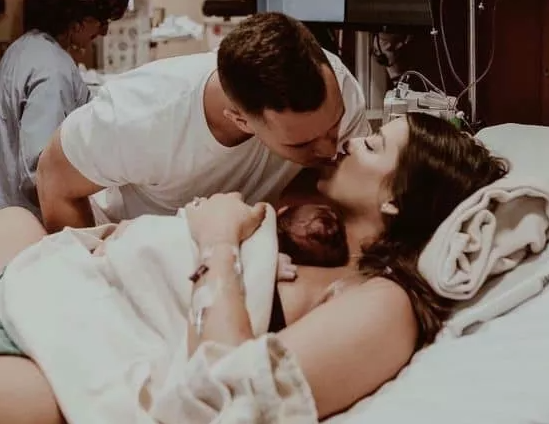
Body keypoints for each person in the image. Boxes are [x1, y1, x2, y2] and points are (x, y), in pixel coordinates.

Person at [0, 113, 508, 423]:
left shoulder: (385, 304)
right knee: (14, 220)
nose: (351, 142)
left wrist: (217, 239)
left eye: (373, 146)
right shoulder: (318, 239)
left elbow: (226, 394)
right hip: (64, 289)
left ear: (397, 200)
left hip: (68, 348)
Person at [36, 12, 370, 233]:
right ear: (240, 119)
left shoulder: (337, 85)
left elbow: (344, 185)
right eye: (302, 143)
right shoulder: (142, 115)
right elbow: (54, 176)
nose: (330, 148)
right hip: (136, 240)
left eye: (334, 126)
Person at [0, 0, 128, 218]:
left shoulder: (23, 48)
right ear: (77, 17)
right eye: (101, 21)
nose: (103, 33)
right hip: (30, 220)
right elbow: (41, 172)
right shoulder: (52, 70)